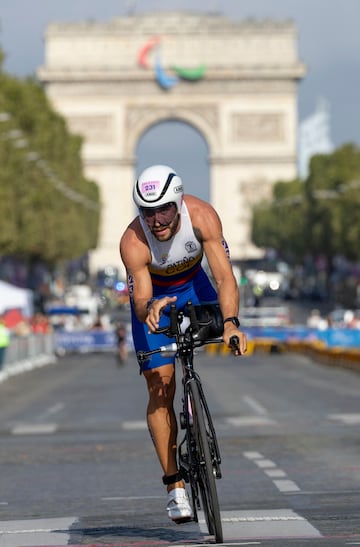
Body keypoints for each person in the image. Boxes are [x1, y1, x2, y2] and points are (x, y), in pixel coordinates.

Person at [119, 165, 247, 523]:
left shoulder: (203, 216)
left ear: (178, 202)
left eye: (164, 209)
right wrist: (150, 307)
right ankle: (174, 485)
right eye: (147, 211)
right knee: (160, 384)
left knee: (201, 345)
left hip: (195, 287)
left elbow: (224, 277)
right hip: (155, 300)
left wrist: (233, 324)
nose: (157, 220)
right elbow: (142, 299)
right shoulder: (133, 241)